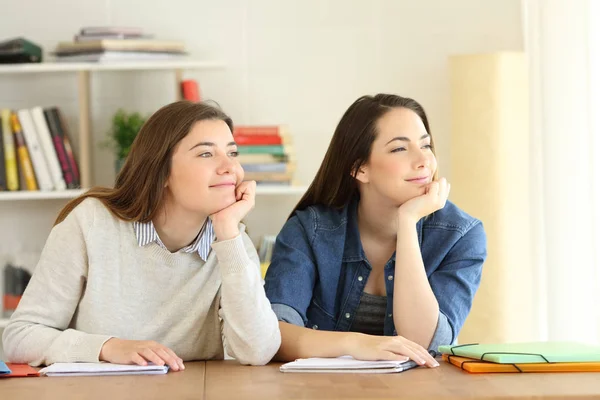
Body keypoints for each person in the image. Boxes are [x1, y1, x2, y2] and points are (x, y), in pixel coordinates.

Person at [2, 101, 281, 369]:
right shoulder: (91, 223)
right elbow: (19, 336)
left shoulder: (231, 244)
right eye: (206, 153)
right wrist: (107, 348)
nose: (229, 168)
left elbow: (258, 350)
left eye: (232, 153)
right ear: (162, 171)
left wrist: (229, 235)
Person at [264, 94, 486, 368]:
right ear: (360, 168)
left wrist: (407, 221)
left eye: (426, 145)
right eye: (399, 149)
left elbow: (422, 343)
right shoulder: (309, 230)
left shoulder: (460, 236)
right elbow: (272, 334)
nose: (424, 161)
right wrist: (354, 343)